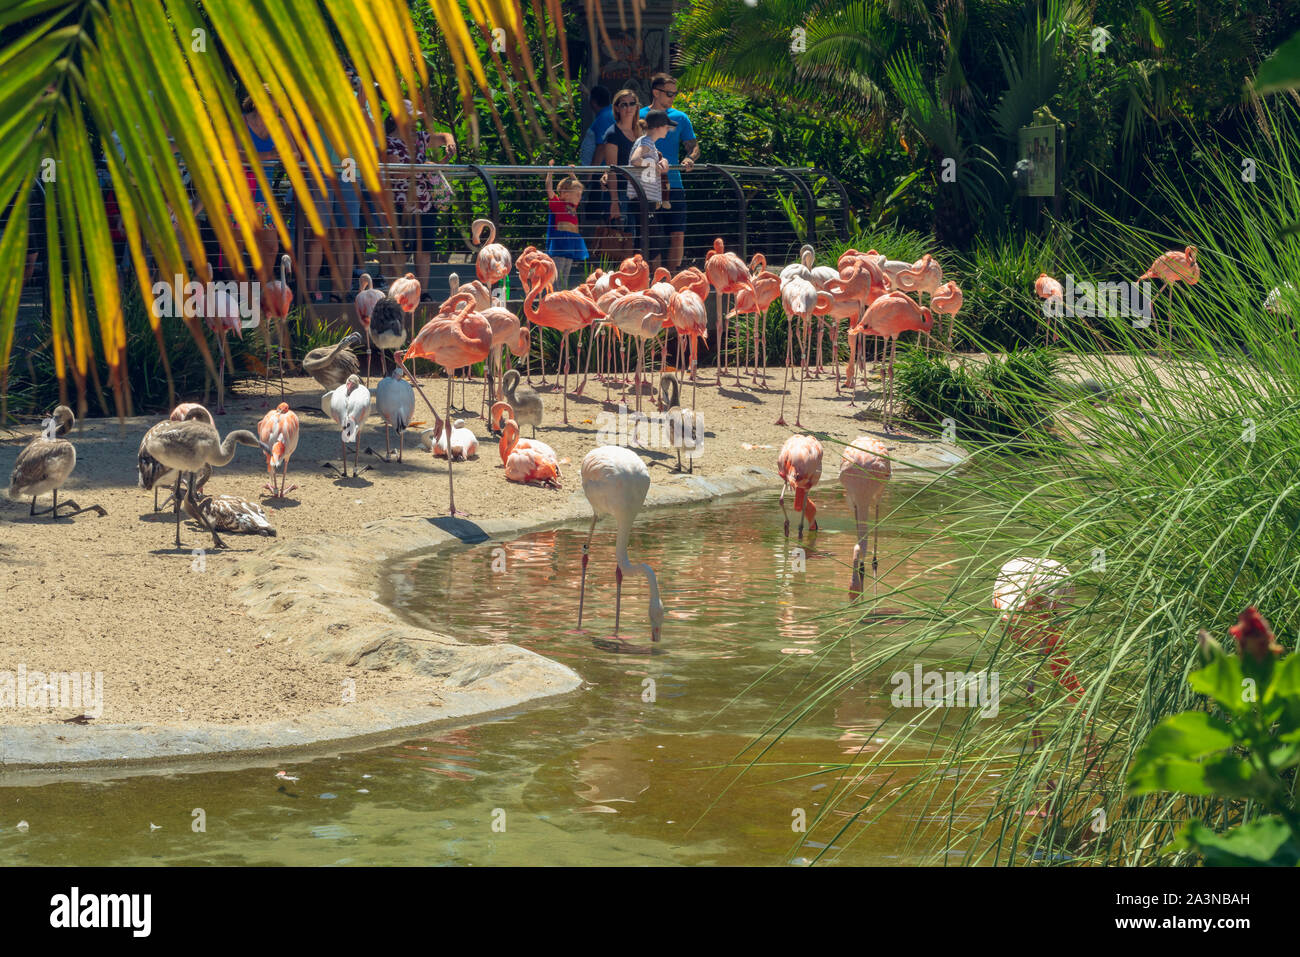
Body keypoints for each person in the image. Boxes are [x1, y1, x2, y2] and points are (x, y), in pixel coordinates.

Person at [382, 100, 456, 296]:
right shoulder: (387, 143)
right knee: (400, 252)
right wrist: (427, 165)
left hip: (425, 203)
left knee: (424, 250)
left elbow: (444, 136)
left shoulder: (420, 138)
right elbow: (398, 173)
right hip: (401, 205)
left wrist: (449, 143)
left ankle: (422, 293)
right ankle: (395, 294)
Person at [640, 73, 699, 270]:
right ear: (656, 92)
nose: (673, 97)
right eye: (669, 93)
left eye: (675, 93)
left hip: (674, 183)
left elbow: (694, 146)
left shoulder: (681, 117)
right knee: (652, 234)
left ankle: (672, 277)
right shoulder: (639, 115)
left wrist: (689, 158)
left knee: (677, 233)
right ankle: (654, 280)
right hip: (646, 184)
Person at [598, 88, 642, 263]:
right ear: (616, 108)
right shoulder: (612, 133)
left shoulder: (641, 130)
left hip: (639, 192)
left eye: (632, 103)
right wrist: (614, 201)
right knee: (620, 238)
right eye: (624, 104)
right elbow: (612, 171)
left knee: (637, 237)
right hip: (621, 193)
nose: (628, 108)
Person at [545, 161, 588, 290]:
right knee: (558, 270)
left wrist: (571, 174)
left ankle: (563, 291)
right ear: (566, 194)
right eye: (578, 195)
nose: (580, 197)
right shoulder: (558, 204)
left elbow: (578, 187)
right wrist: (550, 171)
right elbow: (549, 189)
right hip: (561, 242)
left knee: (566, 270)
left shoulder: (573, 206)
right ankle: (556, 293)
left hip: (571, 241)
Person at [578, 85, 614, 167]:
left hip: (600, 172)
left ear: (593, 102)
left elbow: (601, 148)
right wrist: (588, 93)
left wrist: (591, 174)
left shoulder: (604, 118)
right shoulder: (610, 112)